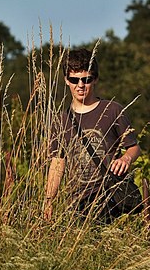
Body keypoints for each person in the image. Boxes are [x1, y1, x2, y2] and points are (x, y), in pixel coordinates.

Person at [43, 48, 142, 221]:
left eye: (86, 79)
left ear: (95, 79)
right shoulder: (61, 120)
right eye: (74, 80)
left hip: (112, 199)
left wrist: (126, 159)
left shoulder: (112, 109)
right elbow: (57, 163)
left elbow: (133, 147)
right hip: (78, 203)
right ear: (66, 80)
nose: (80, 85)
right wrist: (49, 200)